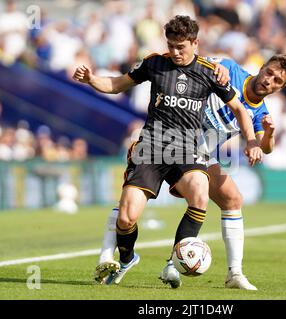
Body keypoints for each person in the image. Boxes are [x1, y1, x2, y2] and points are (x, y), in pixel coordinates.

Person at [72, 15, 262, 287]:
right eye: (171, 45)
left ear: (195, 43)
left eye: (181, 47)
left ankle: (173, 262)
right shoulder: (154, 63)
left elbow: (239, 109)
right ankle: (126, 257)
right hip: (150, 148)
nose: (175, 52)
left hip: (186, 151)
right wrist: (92, 79)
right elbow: (117, 85)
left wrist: (252, 141)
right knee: (126, 218)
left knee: (199, 190)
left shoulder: (210, 72)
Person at [94, 53, 286, 290]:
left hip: (199, 154)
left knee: (232, 200)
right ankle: (108, 256)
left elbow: (266, 147)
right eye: (269, 73)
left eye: (276, 81)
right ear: (262, 68)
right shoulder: (230, 69)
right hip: (168, 137)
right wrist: (215, 66)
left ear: (281, 88)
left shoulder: (261, 114)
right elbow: (192, 59)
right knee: (130, 203)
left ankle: (232, 273)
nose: (269, 81)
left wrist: (269, 134)